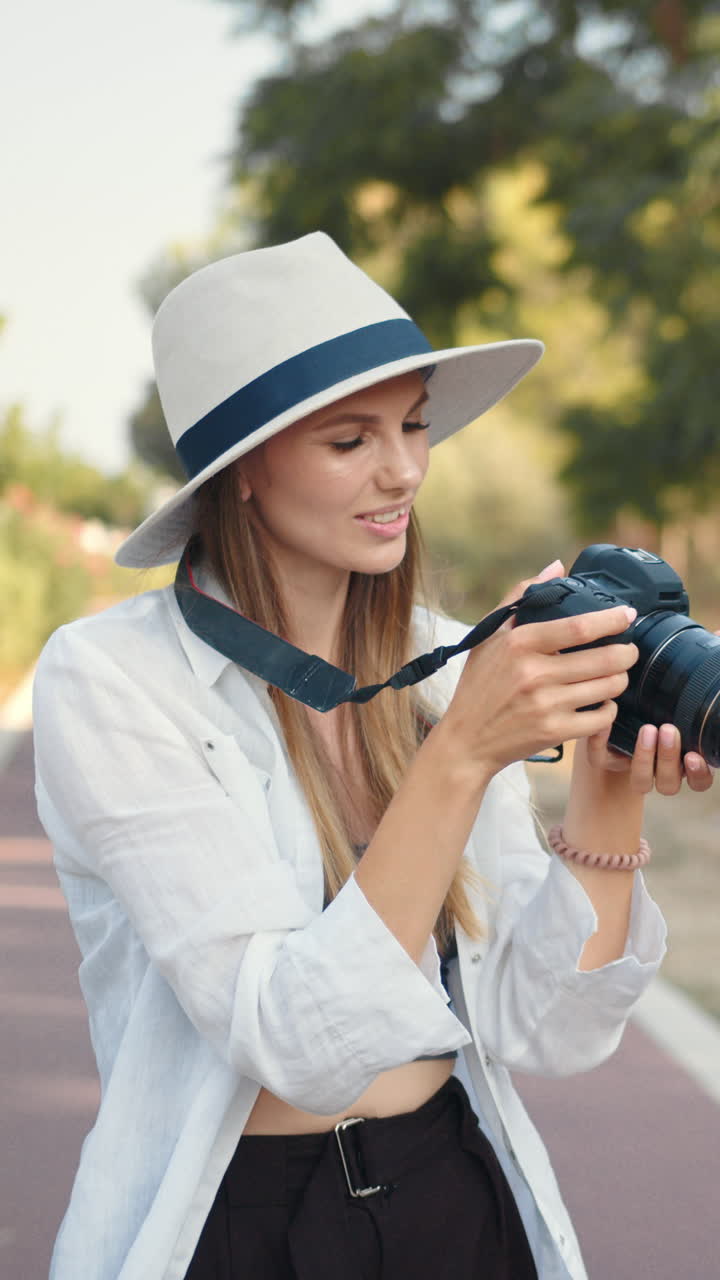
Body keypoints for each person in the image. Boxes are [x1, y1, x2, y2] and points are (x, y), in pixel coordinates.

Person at [32, 232, 713, 1280]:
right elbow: (294, 1040)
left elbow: (549, 1028)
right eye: (350, 441)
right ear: (246, 468)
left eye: (412, 425)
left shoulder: (438, 662)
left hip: (453, 1188)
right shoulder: (112, 681)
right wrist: (461, 751)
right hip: (236, 1221)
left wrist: (607, 783)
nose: (402, 469)